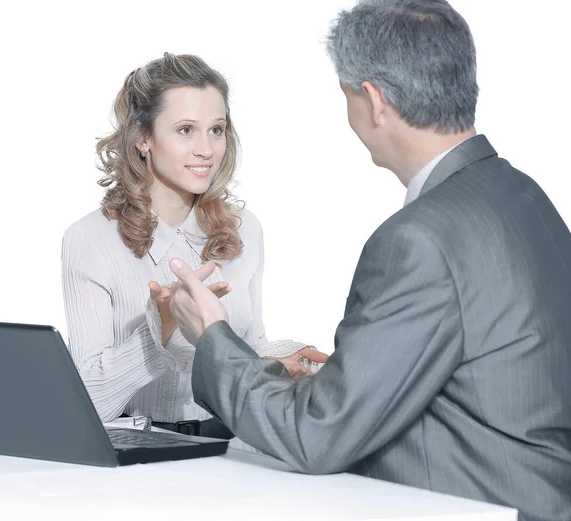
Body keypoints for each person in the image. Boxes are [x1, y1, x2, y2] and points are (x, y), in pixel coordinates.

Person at [165, 2, 571, 520]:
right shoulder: (522, 195)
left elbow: (315, 436)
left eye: (347, 95)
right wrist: (359, 372)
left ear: (373, 100)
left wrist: (213, 336)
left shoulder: (419, 239)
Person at [61, 53, 327, 440]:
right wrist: (162, 328)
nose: (207, 150)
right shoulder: (92, 239)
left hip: (236, 448)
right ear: (143, 138)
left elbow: (248, 346)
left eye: (216, 130)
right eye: (186, 130)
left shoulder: (244, 230)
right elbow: (85, 402)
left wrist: (283, 360)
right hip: (145, 456)